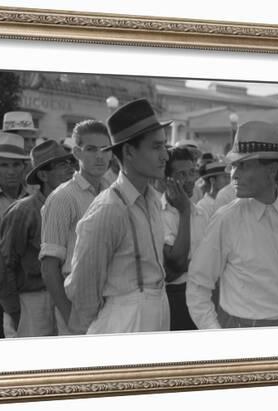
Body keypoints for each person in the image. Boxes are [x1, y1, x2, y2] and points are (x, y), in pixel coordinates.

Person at [186, 121, 278, 329]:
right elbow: (197, 286)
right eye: (234, 165)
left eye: (244, 165)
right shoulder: (226, 219)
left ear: (272, 170)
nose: (234, 174)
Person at [65, 98, 170, 334]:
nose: (165, 155)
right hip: (123, 322)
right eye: (156, 147)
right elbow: (83, 290)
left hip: (156, 313)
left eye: (165, 146)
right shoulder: (110, 208)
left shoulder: (152, 200)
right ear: (129, 151)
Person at [39, 120, 112, 335]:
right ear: (77, 153)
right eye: (91, 149)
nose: (100, 156)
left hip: (112, 302)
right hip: (77, 303)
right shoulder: (63, 197)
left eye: (105, 149)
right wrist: (69, 315)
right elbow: (49, 266)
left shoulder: (112, 193)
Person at [0, 140, 75, 337]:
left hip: (67, 296)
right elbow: (4, 265)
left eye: (70, 163)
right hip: (32, 301)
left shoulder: (76, 204)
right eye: (61, 165)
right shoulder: (23, 211)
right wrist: (15, 311)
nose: (70, 170)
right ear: (43, 175)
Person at [0, 132, 29, 338]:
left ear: (24, 167)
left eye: (16, 165)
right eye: (4, 165)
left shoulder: (37, 199)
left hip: (31, 290)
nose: (11, 171)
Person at [162, 147, 208, 330]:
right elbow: (172, 268)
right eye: (181, 174)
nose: (189, 180)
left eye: (192, 172)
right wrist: (185, 211)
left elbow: (211, 263)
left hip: (201, 296)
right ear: (167, 179)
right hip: (173, 299)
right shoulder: (156, 213)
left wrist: (188, 263)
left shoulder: (202, 213)